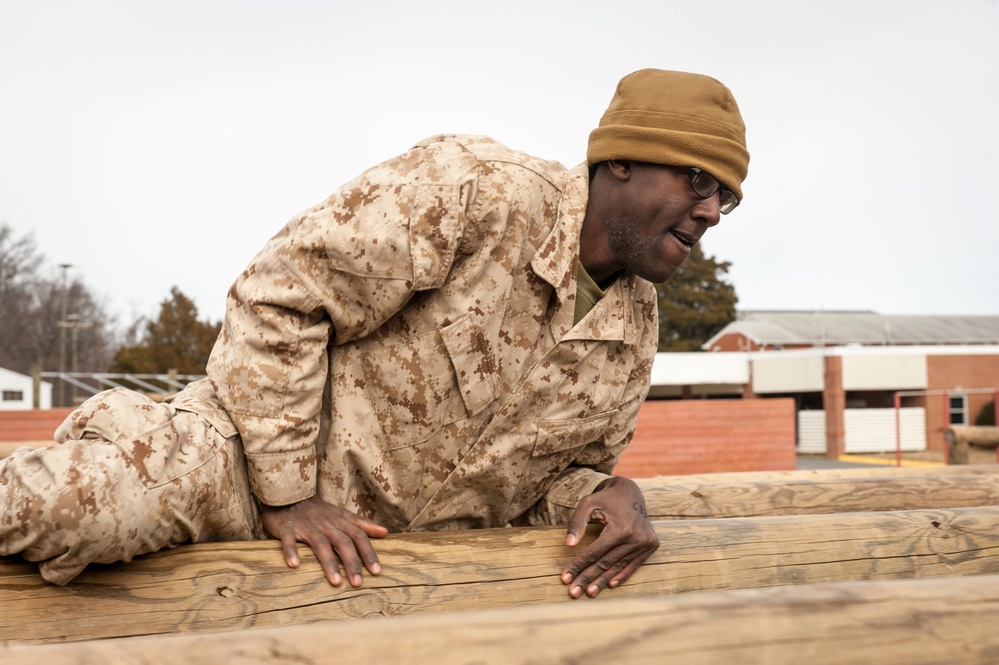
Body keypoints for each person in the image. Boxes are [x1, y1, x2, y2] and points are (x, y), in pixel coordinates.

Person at [0, 68, 749, 599]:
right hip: (243, 461)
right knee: (74, 508)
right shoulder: (476, 191)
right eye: (698, 179)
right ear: (619, 158)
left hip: (379, 564)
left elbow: (543, 485)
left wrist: (611, 493)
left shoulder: (633, 330)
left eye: (726, 198)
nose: (712, 211)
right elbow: (281, 295)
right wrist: (289, 494)